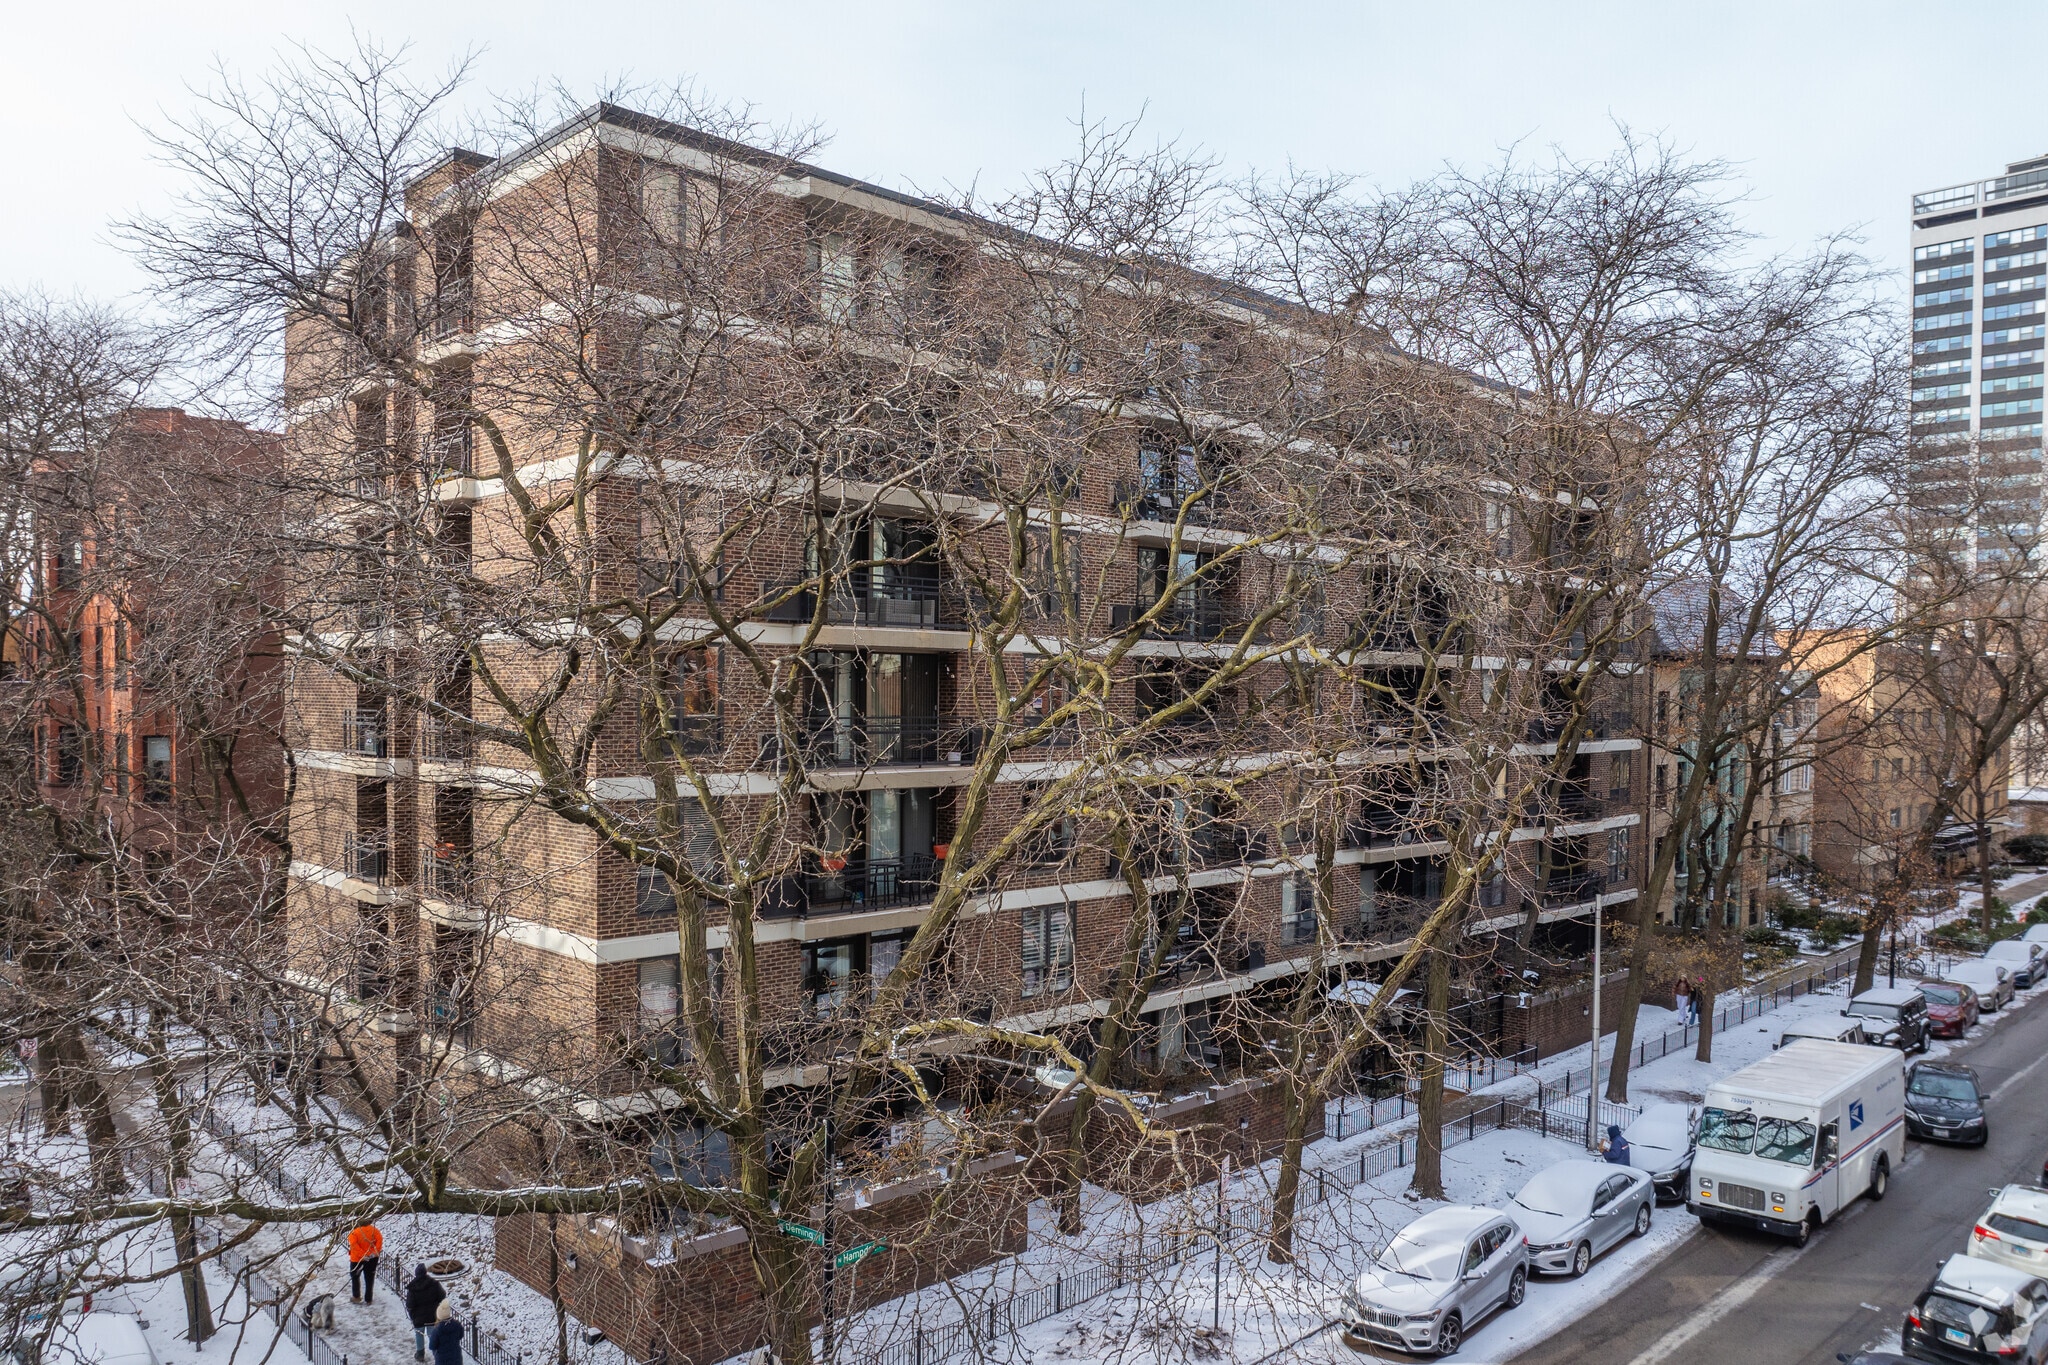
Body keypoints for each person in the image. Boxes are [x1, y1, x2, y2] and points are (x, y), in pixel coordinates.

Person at [405, 1263, 446, 1360]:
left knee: (419, 1334)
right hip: (432, 1315)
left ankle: (420, 1354)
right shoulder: (434, 1283)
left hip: (418, 1317)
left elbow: (409, 1304)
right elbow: (442, 1295)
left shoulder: (412, 1287)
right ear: (426, 1272)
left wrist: (412, 1314)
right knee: (432, 1335)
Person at [347, 1222, 384, 1304]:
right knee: (369, 1278)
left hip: (357, 1259)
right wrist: (374, 1252)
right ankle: (368, 1299)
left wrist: (363, 1255)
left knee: (355, 1277)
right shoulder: (374, 1230)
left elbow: (354, 1245)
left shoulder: (354, 1232)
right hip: (372, 1258)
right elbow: (379, 1240)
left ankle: (356, 1296)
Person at [427, 1301, 465, 1365]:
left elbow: (432, 1346)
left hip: (442, 1360)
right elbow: (461, 1335)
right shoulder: (457, 1325)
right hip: (456, 1357)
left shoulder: (437, 1330)